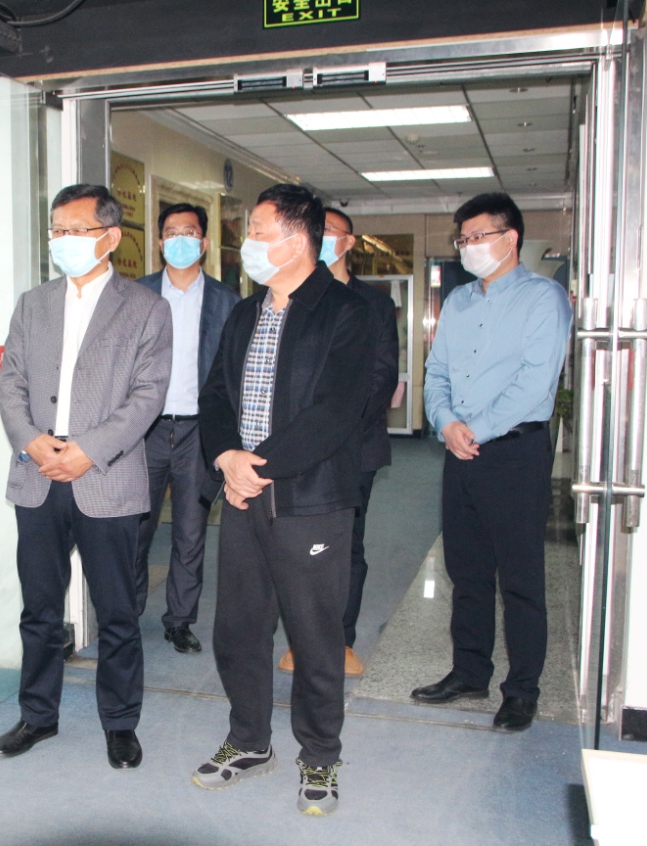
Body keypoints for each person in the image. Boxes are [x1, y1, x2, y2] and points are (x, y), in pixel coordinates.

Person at [194, 184, 374, 816]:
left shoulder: (348, 313)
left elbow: (336, 412)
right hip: (242, 495)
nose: (248, 243)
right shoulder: (245, 313)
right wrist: (226, 457)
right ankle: (249, 740)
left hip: (310, 499)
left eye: (258, 232)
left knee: (315, 635)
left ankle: (320, 753)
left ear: (297, 241)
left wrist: (256, 468)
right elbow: (215, 395)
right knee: (238, 628)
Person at [0, 183, 172, 770]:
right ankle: (37, 715)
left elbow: (148, 396)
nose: (63, 241)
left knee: (117, 612)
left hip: (106, 476)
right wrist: (30, 440)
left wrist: (88, 451)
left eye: (75, 230)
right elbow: (10, 383)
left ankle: (120, 723)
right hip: (39, 473)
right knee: (40, 609)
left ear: (110, 237)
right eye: (57, 231)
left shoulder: (145, 308)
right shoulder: (33, 304)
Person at [411, 192, 572, 733]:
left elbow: (535, 384)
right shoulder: (458, 302)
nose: (468, 247)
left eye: (478, 236)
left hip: (515, 454)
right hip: (460, 452)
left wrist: (473, 429)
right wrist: (445, 422)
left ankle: (522, 690)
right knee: (467, 571)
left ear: (511, 238)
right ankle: (469, 672)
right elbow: (436, 372)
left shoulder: (544, 298)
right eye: (463, 239)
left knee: (520, 578)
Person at [278, 208, 399, 678]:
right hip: (294, 447)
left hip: (354, 446)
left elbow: (381, 375)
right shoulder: (290, 297)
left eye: (331, 232)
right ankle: (301, 639)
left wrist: (334, 430)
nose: (323, 238)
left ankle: (340, 640)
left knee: (346, 545)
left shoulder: (373, 304)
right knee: (295, 546)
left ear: (349, 242)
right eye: (318, 231)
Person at [134, 202, 240, 654]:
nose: (180, 240)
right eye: (172, 232)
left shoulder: (227, 301)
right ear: (160, 242)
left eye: (189, 232)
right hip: (145, 430)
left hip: (200, 432)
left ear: (204, 242)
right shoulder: (136, 295)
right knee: (135, 528)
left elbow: (233, 372)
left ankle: (180, 620)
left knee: (191, 531)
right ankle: (127, 615)